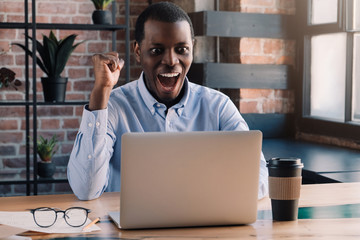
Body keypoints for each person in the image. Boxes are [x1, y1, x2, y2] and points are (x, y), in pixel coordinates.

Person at [67, 2, 268, 201]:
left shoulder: (218, 106)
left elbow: (259, 181)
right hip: (126, 231)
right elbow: (86, 190)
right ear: (138, 51)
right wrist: (101, 92)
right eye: (157, 50)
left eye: (182, 49)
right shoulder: (112, 106)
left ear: (192, 49)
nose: (171, 60)